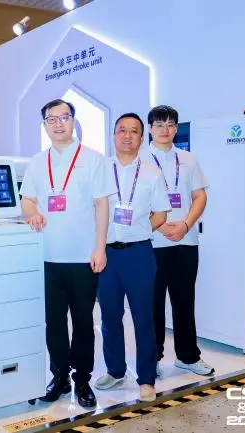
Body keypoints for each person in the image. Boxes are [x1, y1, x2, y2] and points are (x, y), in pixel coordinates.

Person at [20, 98, 116, 408]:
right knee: (54, 323)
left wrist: (100, 246)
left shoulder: (93, 159)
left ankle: (83, 379)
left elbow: (102, 204)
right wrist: (32, 213)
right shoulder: (37, 162)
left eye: (64, 117)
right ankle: (59, 376)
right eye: (51, 119)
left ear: (74, 121)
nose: (58, 124)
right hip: (48, 257)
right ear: (45, 125)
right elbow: (27, 200)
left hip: (83, 257)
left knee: (84, 322)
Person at [94, 113, 171, 402]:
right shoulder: (100, 170)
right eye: (122, 130)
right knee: (109, 315)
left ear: (142, 137)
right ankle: (115, 370)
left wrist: (138, 229)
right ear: (113, 135)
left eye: (134, 131)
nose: (127, 136)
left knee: (144, 317)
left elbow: (161, 214)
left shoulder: (152, 173)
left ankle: (147, 379)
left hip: (139, 253)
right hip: (106, 254)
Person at [146, 105, 214, 376]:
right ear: (150, 128)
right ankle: (152, 358)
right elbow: (132, 202)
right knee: (152, 304)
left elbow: (200, 196)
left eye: (171, 124)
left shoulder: (188, 159)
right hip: (152, 242)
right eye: (159, 124)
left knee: (184, 301)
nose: (166, 130)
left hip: (185, 241)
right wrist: (161, 225)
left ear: (176, 128)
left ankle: (187, 357)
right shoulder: (139, 159)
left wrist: (185, 224)